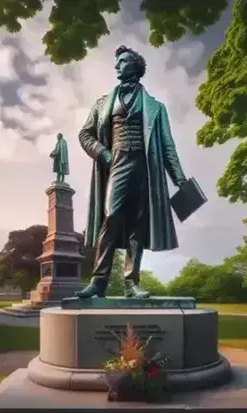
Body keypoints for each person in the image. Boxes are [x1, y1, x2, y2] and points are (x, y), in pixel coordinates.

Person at [75, 45, 188, 299]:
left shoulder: (156, 108)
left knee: (138, 224)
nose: (117, 66)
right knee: (111, 216)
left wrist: (179, 178)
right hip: (117, 162)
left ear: (135, 66)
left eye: (122, 61)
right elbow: (85, 134)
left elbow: (168, 146)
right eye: (117, 62)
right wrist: (103, 153)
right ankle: (99, 281)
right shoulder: (103, 103)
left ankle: (131, 282)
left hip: (145, 167)